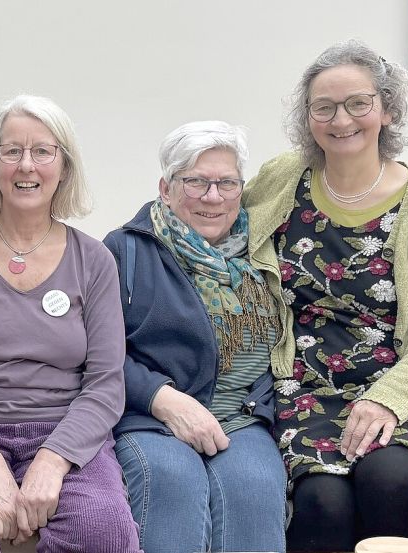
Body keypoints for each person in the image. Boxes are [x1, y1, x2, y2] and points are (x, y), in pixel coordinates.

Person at [244, 39, 408, 552]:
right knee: (322, 502)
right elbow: (211, 219)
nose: (341, 120)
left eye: (358, 103)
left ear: (387, 109)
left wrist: (387, 399)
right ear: (308, 117)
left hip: (404, 385)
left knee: (390, 479)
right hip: (305, 385)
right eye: (324, 107)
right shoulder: (281, 180)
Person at [0, 95, 140, 552]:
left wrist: (52, 461)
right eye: (12, 151)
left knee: (104, 532)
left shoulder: (94, 259)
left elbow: (105, 384)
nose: (26, 165)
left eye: (42, 151)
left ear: (64, 166)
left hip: (64, 430)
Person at [104, 121, 288, 553]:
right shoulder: (125, 249)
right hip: (152, 416)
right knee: (171, 482)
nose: (213, 196)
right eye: (196, 182)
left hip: (242, 417)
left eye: (227, 183)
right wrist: (163, 400)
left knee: (255, 487)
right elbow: (98, 352)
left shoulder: (263, 249)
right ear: (165, 189)